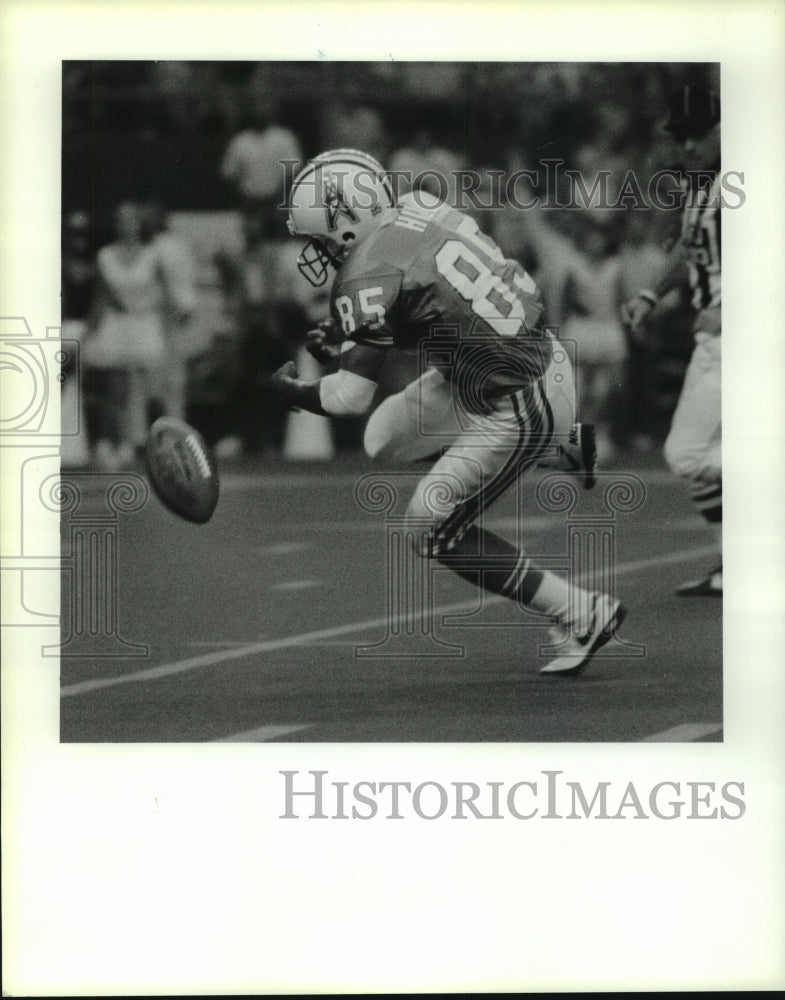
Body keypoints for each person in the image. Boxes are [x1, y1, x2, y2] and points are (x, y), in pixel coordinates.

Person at [271, 149, 626, 675]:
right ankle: (561, 445)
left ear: (345, 222)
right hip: (508, 365)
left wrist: (293, 392)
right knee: (384, 438)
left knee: (428, 526)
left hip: (519, 394)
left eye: (320, 236)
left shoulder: (366, 270)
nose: (319, 250)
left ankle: (579, 611)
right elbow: (434, 299)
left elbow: (347, 394)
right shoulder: (419, 206)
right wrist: (352, 336)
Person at [622, 85, 722, 596]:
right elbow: (686, 250)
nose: (688, 145)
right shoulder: (699, 185)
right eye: (681, 136)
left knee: (685, 453)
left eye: (700, 133)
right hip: (714, 343)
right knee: (701, 456)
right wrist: (649, 293)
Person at [83, 201, 167, 470]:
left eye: (132, 219)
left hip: (146, 325)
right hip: (115, 326)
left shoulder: (153, 255)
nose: (126, 224)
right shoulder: (105, 255)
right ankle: (113, 446)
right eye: (121, 219)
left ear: (140, 224)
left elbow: (164, 294)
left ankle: (160, 448)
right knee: (115, 390)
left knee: (153, 389)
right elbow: (101, 296)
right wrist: (89, 330)